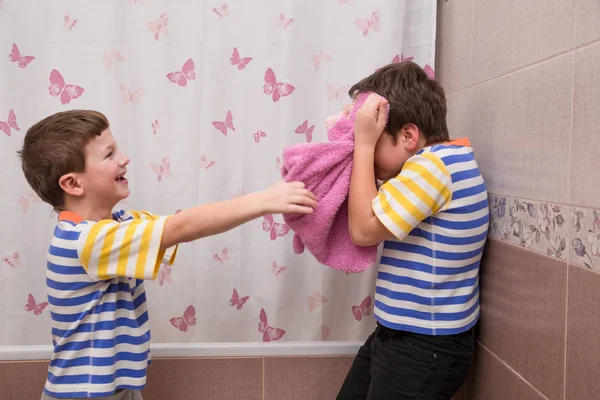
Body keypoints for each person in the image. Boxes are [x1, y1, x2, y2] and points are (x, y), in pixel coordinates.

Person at [18, 110, 317, 400]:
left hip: (114, 388)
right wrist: (266, 200)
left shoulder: (118, 224)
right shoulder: (86, 241)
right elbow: (182, 227)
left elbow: (181, 224)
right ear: (73, 183)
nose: (124, 158)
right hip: (83, 393)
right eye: (109, 155)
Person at [338, 62, 489, 399]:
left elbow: (363, 230)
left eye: (377, 138)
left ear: (408, 135)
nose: (366, 151)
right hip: (404, 336)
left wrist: (363, 145)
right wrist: (363, 136)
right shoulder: (443, 162)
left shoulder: (431, 169)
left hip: (425, 347)